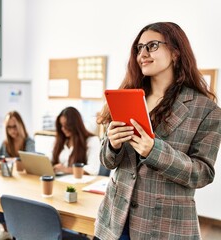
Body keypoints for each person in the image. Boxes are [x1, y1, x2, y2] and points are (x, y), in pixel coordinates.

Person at [95, 22, 221, 240]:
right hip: (113, 221)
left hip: (163, 227)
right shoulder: (127, 97)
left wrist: (155, 150)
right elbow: (108, 162)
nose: (142, 53)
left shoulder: (206, 110)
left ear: (175, 52)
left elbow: (203, 173)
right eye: (139, 48)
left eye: (152, 46)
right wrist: (112, 145)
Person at [0, 110, 35, 240]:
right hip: (8, 183)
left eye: (14, 126)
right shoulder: (5, 143)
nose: (12, 130)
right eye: (9, 127)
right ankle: (6, 228)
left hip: (24, 185)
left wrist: (8, 160)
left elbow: (29, 161)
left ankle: (17, 230)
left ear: (20, 125)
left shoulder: (29, 142)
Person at [52, 106, 101, 176]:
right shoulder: (61, 140)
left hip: (80, 182)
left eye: (66, 125)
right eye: (61, 125)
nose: (63, 129)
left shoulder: (92, 140)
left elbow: (93, 170)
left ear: (75, 125)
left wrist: (65, 169)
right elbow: (50, 159)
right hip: (60, 180)